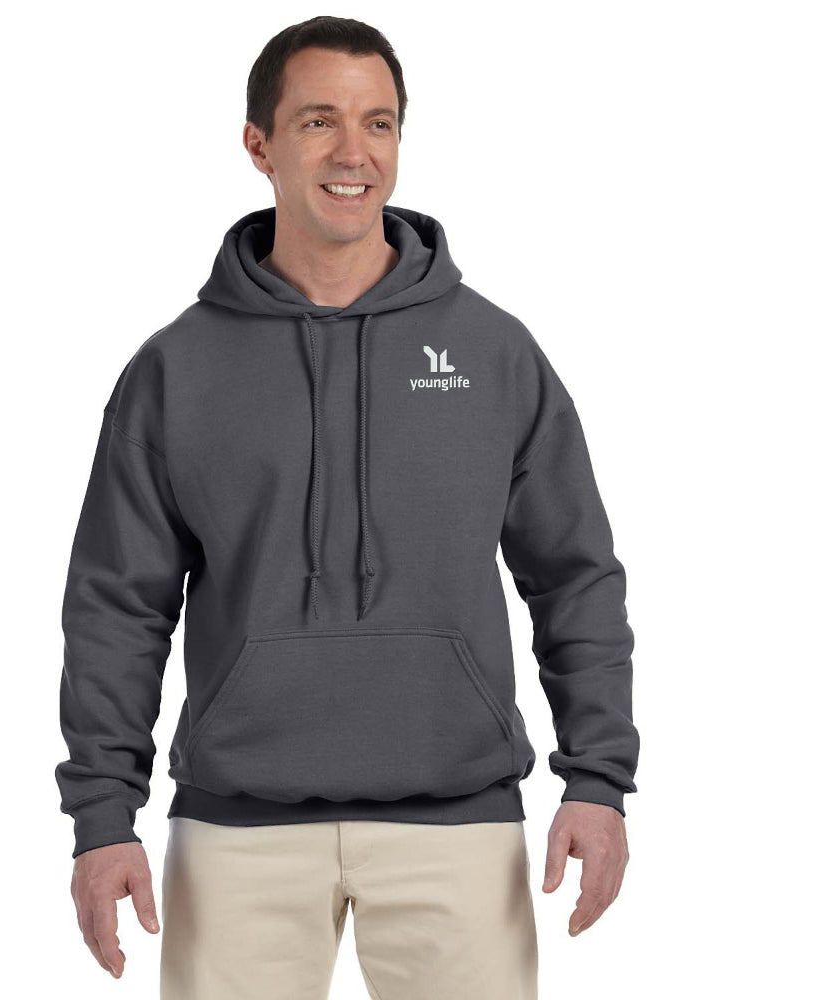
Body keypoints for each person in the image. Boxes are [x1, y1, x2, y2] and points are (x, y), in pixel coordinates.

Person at [55, 15, 639, 999]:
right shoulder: (176, 370)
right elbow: (117, 606)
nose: (352, 152)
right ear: (259, 144)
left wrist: (598, 780)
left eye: (379, 123)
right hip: (235, 832)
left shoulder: (493, 353)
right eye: (319, 121)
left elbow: (574, 575)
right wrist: (103, 819)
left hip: (459, 824)